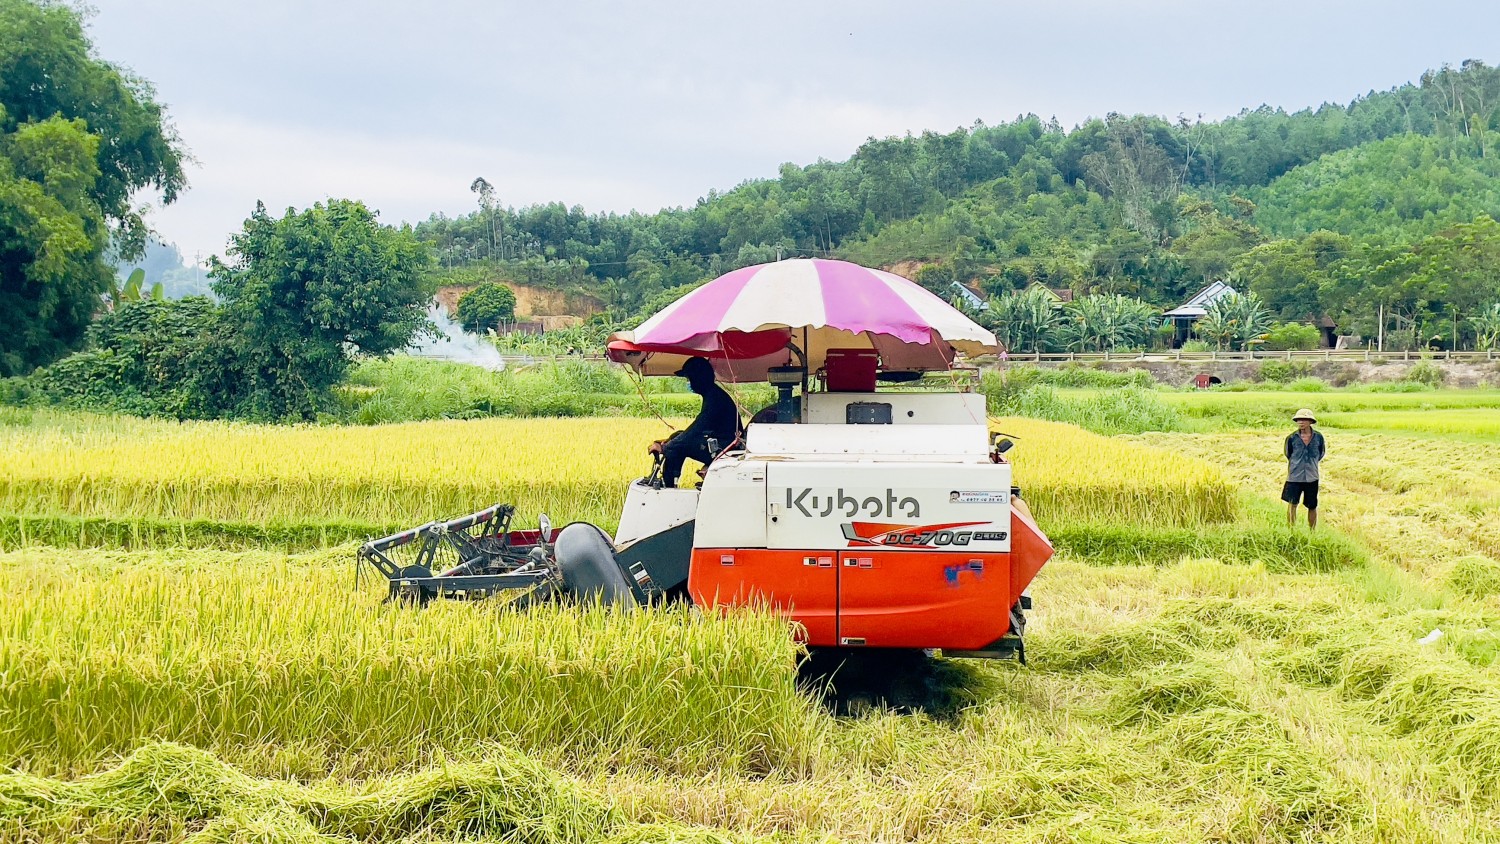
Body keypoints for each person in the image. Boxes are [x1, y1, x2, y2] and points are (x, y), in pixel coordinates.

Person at [649, 357, 740, 487]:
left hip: (725, 446)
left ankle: (668, 487)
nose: (689, 383)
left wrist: (667, 447)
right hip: (719, 442)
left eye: (689, 379)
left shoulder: (715, 400)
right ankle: (669, 482)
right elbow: (694, 430)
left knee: (677, 446)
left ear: (698, 379)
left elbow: (697, 428)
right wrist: (671, 441)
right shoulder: (713, 394)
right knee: (677, 438)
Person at [1282, 408, 1327, 529]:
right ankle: (1291, 530)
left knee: (1312, 505)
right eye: (1298, 420)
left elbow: (1321, 453)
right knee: (1292, 504)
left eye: (1303, 419)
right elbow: (1288, 454)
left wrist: (1310, 464)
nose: (1300, 422)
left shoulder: (1318, 438)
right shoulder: (1291, 438)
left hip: (1312, 477)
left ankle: (1312, 532)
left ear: (1310, 421)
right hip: (1294, 477)